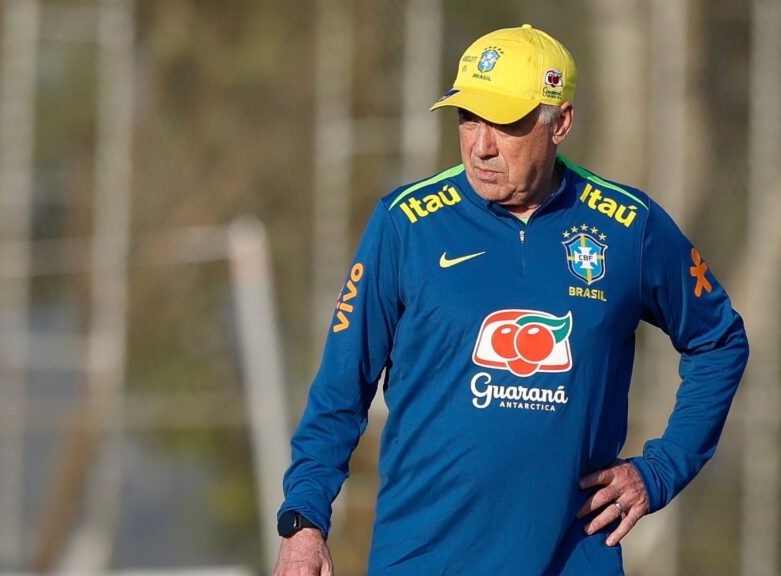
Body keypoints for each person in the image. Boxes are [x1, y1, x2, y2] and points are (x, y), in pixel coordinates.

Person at [273, 24, 748, 576]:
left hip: (575, 560)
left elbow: (719, 341)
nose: (481, 145)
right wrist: (304, 521)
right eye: (468, 118)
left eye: (505, 123)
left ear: (560, 123)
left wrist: (661, 470)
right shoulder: (406, 225)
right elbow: (340, 389)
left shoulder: (628, 226)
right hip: (425, 562)